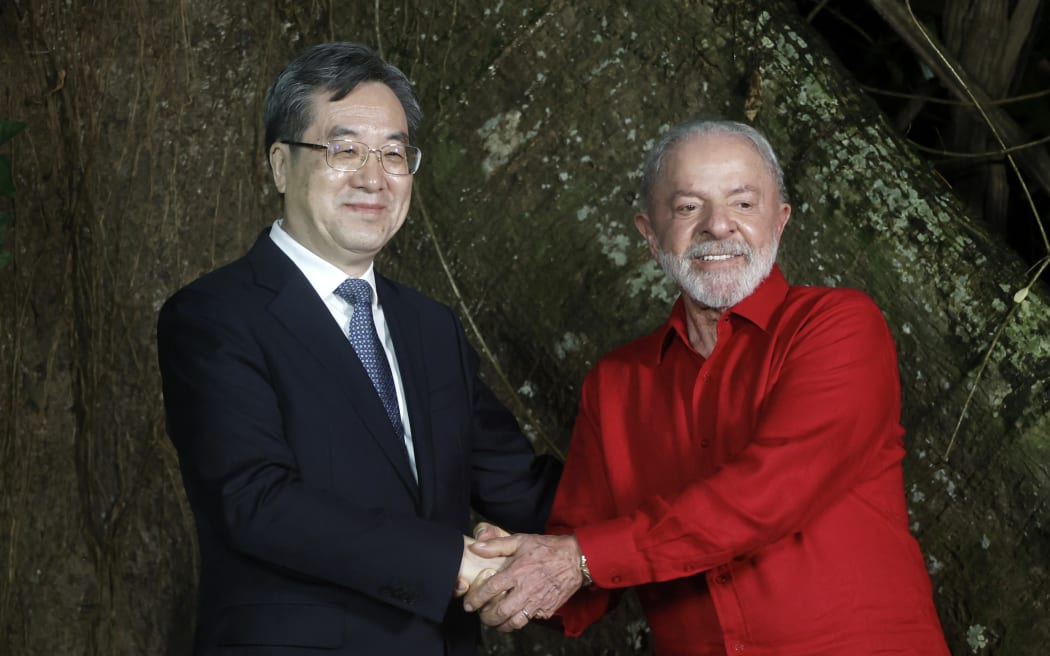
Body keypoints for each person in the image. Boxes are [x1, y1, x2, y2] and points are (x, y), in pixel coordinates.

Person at [463, 119, 951, 655]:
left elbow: (765, 497)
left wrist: (579, 559)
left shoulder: (838, 326)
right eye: (687, 206)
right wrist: (484, 571)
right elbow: (580, 586)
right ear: (650, 235)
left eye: (743, 203)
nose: (718, 226)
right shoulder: (616, 384)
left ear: (780, 221)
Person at [156, 41, 560, 656]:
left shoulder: (430, 327)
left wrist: (607, 545)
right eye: (343, 150)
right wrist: (455, 560)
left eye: (394, 154)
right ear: (280, 165)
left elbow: (521, 489)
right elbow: (258, 502)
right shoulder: (215, 316)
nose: (374, 177)